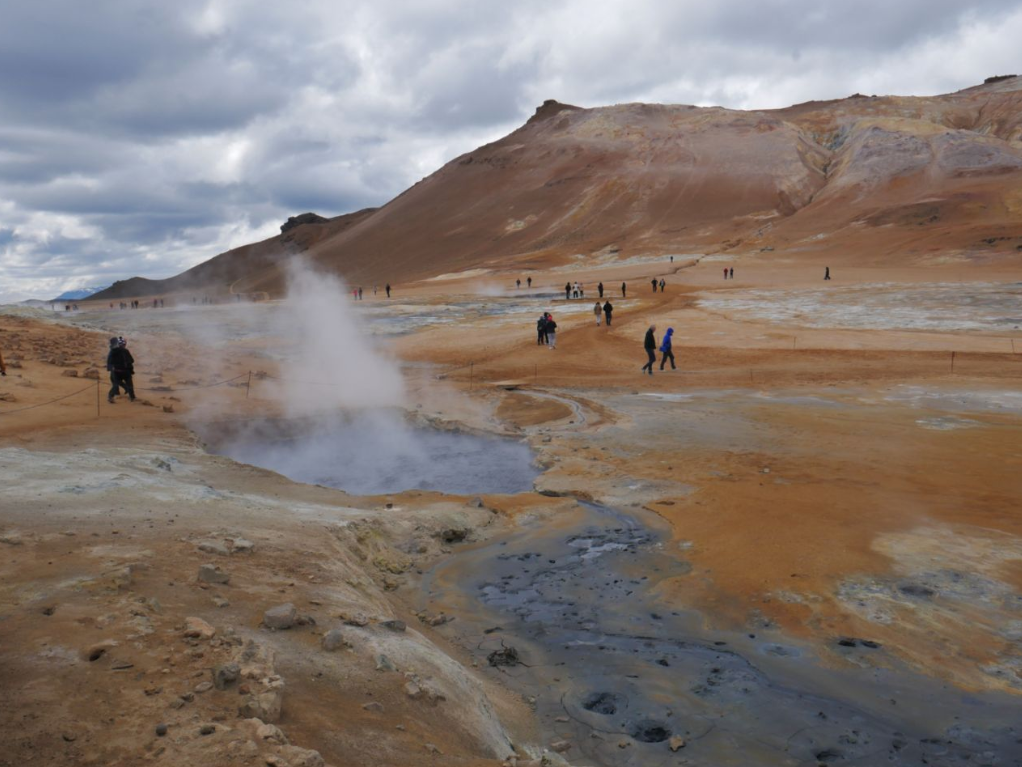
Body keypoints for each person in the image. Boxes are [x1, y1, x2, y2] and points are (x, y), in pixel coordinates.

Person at [106, 336, 136, 404]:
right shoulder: (125, 351)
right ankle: (132, 398)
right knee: (130, 385)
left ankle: (110, 396)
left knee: (115, 385)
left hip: (116, 372)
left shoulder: (112, 352)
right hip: (125, 372)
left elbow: (109, 362)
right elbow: (131, 360)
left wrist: (111, 368)